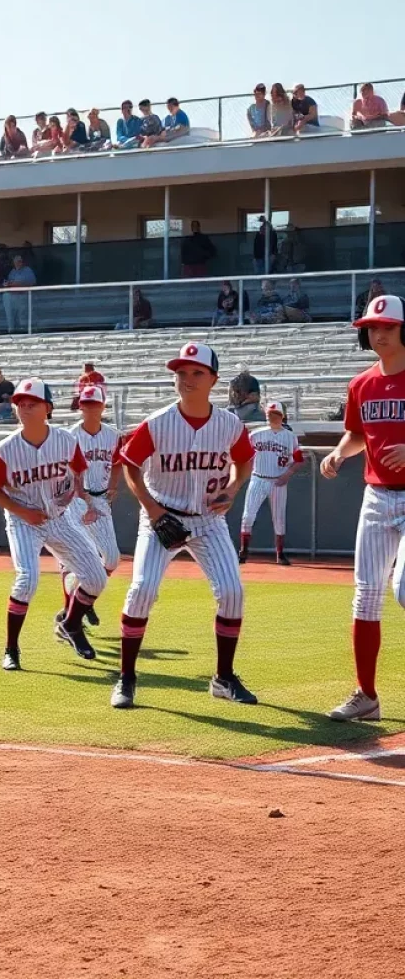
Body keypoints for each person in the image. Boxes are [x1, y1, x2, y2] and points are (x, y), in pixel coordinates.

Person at [113, 342, 256, 710]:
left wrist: (234, 487)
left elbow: (244, 461)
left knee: (232, 592)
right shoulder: (158, 423)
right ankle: (126, 678)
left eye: (196, 373)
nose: (187, 379)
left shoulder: (229, 424)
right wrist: (153, 510)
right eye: (181, 373)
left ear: (214, 380)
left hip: (208, 521)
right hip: (163, 517)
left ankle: (224, 678)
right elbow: (130, 464)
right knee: (141, 589)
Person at [321, 293, 405, 722]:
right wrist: (338, 453)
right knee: (366, 596)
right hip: (377, 496)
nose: (378, 334)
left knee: (403, 589)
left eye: (387, 327)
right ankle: (367, 697)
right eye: (372, 328)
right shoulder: (361, 384)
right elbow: (356, 434)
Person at [0, 379, 108, 670]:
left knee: (96, 578)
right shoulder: (5, 449)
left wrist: (77, 491)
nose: (25, 409)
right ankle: (11, 649)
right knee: (27, 579)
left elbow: (78, 471)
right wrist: (22, 512)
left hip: (58, 518)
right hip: (23, 520)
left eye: (32, 404)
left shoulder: (65, 441)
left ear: (48, 409)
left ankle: (71, 625)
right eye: (20, 405)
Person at [56, 385, 122, 633]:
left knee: (112, 558)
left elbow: (118, 462)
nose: (90, 408)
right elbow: (67, 473)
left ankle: (85, 597)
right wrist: (84, 500)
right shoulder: (70, 436)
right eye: (86, 403)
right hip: (75, 500)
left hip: (101, 498)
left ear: (103, 406)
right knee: (77, 558)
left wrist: (114, 486)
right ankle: (72, 612)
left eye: (95, 403)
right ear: (80, 405)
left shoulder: (113, 435)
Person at [239, 401, 305, 566]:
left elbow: (298, 460)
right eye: (270, 414)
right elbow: (243, 454)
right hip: (258, 477)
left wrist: (287, 475)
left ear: (282, 416)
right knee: (248, 516)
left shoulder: (290, 437)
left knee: (279, 519)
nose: (272, 417)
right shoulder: (256, 434)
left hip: (278, 481)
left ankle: (280, 553)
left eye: (276, 414)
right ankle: (243, 551)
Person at [3, 255, 36, 333]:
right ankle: (11, 330)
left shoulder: (27, 270)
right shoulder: (12, 272)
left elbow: (32, 282)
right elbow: (9, 283)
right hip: (12, 296)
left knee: (22, 316)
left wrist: (16, 284)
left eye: (20, 261)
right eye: (16, 261)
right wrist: (8, 284)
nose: (18, 263)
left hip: (24, 296)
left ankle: (23, 331)